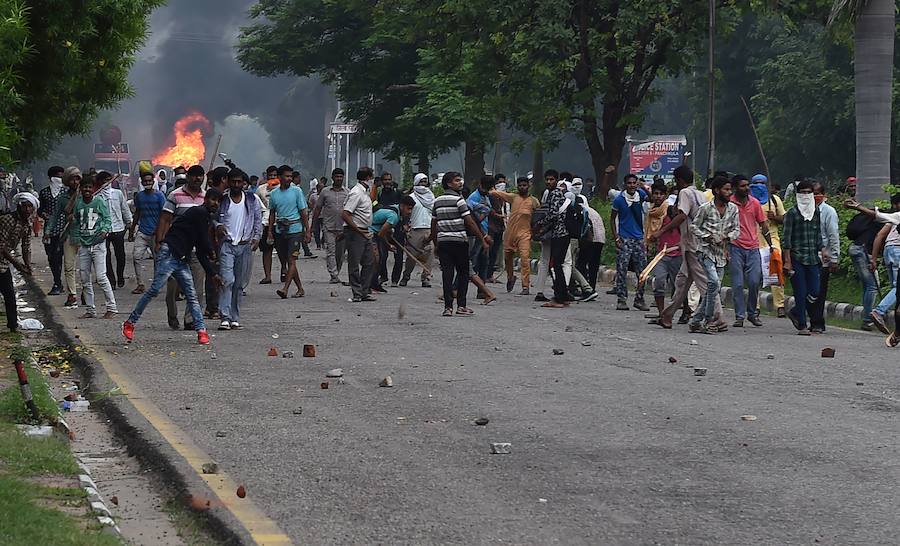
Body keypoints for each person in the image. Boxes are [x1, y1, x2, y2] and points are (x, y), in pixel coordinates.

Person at [123, 189, 224, 346]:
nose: (215, 203)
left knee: (191, 295)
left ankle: (201, 331)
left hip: (181, 258)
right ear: (205, 200)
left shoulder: (205, 219)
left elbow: (200, 249)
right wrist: (211, 250)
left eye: (218, 201)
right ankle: (130, 323)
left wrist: (212, 273)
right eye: (213, 199)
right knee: (154, 290)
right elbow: (204, 242)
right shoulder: (199, 212)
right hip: (169, 253)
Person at [431, 171, 490, 316]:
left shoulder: (437, 201)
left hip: (444, 242)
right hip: (459, 241)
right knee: (463, 273)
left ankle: (448, 307)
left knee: (447, 274)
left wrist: (436, 243)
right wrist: (482, 239)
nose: (460, 183)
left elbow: (434, 224)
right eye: (457, 180)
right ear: (449, 183)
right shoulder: (459, 201)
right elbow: (470, 222)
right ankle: (461, 306)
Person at [157, 164, 206, 330]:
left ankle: (190, 319)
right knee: (173, 286)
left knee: (197, 287)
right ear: (188, 177)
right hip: (176, 248)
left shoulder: (205, 197)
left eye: (200, 176)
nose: (197, 178)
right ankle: (172, 315)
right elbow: (165, 219)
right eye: (194, 175)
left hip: (196, 250)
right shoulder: (175, 195)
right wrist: (160, 242)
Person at [689, 176, 739, 334]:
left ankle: (695, 321)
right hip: (706, 251)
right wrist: (707, 237)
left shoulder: (733, 209)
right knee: (713, 282)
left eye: (730, 189)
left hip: (721, 254)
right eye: (726, 189)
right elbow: (694, 227)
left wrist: (727, 237)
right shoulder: (706, 208)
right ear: (717, 191)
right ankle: (709, 320)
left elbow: (737, 230)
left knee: (714, 288)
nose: (729, 192)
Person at [215, 168, 262, 330]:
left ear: (243, 183)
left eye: (239, 182)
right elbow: (213, 217)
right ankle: (225, 317)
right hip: (227, 245)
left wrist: (257, 238)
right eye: (233, 182)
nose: (236, 185)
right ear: (228, 182)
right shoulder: (222, 199)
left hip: (245, 245)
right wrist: (218, 225)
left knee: (239, 284)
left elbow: (258, 220)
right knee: (227, 280)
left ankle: (234, 317)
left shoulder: (252, 199)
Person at [845, 196, 896, 332]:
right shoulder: (890, 217)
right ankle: (869, 319)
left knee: (869, 285)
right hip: (863, 251)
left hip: (857, 248)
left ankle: (868, 318)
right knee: (873, 286)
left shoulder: (884, 216)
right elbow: (879, 235)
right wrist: (873, 259)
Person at [729, 174, 773, 327]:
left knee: (754, 282)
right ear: (735, 188)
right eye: (742, 186)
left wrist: (771, 245)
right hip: (735, 247)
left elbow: (763, 224)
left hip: (753, 247)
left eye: (747, 185)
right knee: (738, 284)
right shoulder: (729, 203)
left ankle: (752, 313)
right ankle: (739, 316)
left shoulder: (754, 203)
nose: (746, 188)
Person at [73, 176, 117, 319]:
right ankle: (90, 309)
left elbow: (107, 219)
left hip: (98, 244)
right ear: (81, 189)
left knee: (101, 277)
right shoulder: (78, 203)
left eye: (89, 187)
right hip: (84, 245)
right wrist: (76, 238)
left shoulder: (99, 202)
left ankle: (112, 308)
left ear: (93, 189)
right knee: (84, 279)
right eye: (84, 187)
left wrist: (104, 231)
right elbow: (75, 221)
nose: (87, 189)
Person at [782, 180, 823, 335]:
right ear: (798, 194)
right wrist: (787, 261)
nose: (806, 195)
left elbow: (818, 234)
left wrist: (823, 250)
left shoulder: (816, 212)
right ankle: (802, 325)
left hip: (812, 257)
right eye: (803, 192)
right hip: (796, 257)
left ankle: (795, 311)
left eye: (808, 192)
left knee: (815, 291)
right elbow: (786, 238)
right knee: (800, 291)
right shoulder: (792, 213)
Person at [267, 164, 311, 299]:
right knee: (288, 261)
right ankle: (300, 288)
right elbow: (272, 213)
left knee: (292, 259)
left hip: (295, 230)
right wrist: (270, 231)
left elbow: (303, 212)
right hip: (280, 230)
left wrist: (307, 230)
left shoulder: (297, 191)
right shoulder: (274, 194)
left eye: (291, 176)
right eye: (286, 176)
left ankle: (285, 289)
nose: (289, 179)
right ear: (280, 177)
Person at [490, 176, 539, 295]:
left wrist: (536, 232)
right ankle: (510, 277)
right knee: (508, 258)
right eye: (520, 185)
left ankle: (525, 286)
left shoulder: (534, 201)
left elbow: (538, 217)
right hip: (510, 233)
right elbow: (497, 193)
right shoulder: (513, 197)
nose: (522, 187)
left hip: (525, 233)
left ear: (528, 186)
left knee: (525, 259)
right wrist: (490, 188)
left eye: (524, 185)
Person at [610, 173, 649, 311]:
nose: (632, 185)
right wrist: (616, 237)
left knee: (642, 271)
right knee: (622, 269)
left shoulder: (641, 195)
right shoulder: (619, 200)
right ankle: (621, 299)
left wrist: (644, 187)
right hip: (625, 238)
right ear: (625, 184)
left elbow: (651, 199)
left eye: (634, 183)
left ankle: (639, 299)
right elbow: (612, 219)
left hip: (639, 238)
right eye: (629, 183)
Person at [645, 182, 683, 323]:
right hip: (660, 254)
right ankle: (662, 314)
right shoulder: (652, 212)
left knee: (679, 286)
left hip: (676, 252)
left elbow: (681, 226)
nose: (658, 196)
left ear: (665, 195)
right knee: (659, 282)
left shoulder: (670, 211)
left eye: (661, 194)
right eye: (655, 193)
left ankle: (686, 311)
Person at [750, 175, 787, 317]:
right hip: (754, 240)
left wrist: (774, 217)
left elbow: (784, 218)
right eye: (757, 183)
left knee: (776, 270)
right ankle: (755, 306)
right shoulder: (749, 201)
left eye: (762, 183)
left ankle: (780, 305)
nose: (759, 186)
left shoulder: (774, 200)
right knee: (755, 274)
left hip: (772, 240)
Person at [805, 182, 840, 333]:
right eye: (811, 193)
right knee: (808, 289)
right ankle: (811, 318)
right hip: (806, 256)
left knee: (819, 291)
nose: (814, 197)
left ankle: (817, 322)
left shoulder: (829, 212)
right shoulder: (804, 211)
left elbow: (833, 234)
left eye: (817, 193)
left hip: (822, 257)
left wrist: (834, 258)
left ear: (823, 195)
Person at [0, 193, 36, 331]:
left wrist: (28, 265)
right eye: (24, 206)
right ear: (19, 206)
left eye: (30, 207)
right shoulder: (7, 220)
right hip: (3, 259)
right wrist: (17, 264)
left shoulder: (27, 224)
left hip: (3, 262)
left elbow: (26, 246)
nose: (27, 210)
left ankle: (13, 325)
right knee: (8, 293)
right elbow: (2, 246)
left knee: (9, 295)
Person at [342, 167, 377, 302]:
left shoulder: (365, 193)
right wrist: (357, 229)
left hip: (365, 230)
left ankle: (364, 290)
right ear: (367, 178)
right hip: (356, 232)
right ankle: (357, 292)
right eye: (371, 178)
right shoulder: (356, 193)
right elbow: (346, 214)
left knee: (369, 262)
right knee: (354, 263)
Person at [129, 170, 166, 294]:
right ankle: (140, 284)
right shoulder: (139, 196)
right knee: (136, 257)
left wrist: (161, 232)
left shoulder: (160, 196)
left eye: (149, 181)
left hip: (156, 233)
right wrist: (132, 229)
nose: (147, 183)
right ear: (142, 182)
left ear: (153, 181)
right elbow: (137, 213)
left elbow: (164, 215)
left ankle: (156, 286)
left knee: (157, 260)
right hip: (142, 232)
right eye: (145, 181)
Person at [369, 197, 415, 292]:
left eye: (411, 209)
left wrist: (388, 243)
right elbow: (381, 233)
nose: (410, 212)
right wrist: (388, 244)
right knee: (377, 259)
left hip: (375, 233)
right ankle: (370, 285)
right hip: (371, 233)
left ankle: (374, 284)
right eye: (408, 208)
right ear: (402, 206)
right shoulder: (393, 216)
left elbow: (384, 231)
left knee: (380, 258)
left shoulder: (395, 210)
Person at [96, 171, 132, 290]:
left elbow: (124, 208)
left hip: (118, 229)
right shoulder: (97, 196)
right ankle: (111, 280)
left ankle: (120, 276)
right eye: (104, 181)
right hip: (103, 230)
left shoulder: (118, 193)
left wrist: (129, 222)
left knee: (120, 255)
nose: (106, 183)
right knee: (106, 256)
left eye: (108, 180)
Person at [313, 168, 349, 284]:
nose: (339, 179)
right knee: (331, 252)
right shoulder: (325, 192)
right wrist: (313, 225)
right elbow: (318, 208)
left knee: (340, 254)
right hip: (329, 227)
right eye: (337, 176)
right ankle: (333, 275)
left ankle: (336, 271)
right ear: (332, 178)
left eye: (341, 176)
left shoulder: (347, 192)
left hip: (343, 228)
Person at [400, 173, 434, 288]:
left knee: (429, 255)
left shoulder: (431, 197)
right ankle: (406, 276)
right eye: (421, 181)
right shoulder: (412, 197)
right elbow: (406, 213)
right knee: (412, 256)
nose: (423, 184)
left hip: (429, 228)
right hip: (415, 229)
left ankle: (426, 278)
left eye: (425, 181)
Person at [37, 166, 65, 295]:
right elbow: (40, 209)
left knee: (58, 256)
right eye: (58, 177)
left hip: (64, 230)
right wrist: (44, 215)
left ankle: (57, 283)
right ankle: (57, 281)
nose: (60, 179)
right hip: (49, 230)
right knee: (51, 257)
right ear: (51, 178)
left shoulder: (66, 192)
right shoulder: (44, 193)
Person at [466, 176, 494, 296]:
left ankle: (481, 290)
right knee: (472, 262)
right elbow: (474, 220)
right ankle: (456, 287)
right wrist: (484, 235)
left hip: (484, 230)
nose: (487, 190)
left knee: (484, 262)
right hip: (477, 233)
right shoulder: (474, 198)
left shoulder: (486, 197)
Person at [255, 165, 279, 284]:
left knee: (282, 250)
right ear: (267, 176)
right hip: (265, 223)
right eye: (270, 175)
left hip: (280, 222)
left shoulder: (283, 189)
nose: (272, 177)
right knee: (266, 250)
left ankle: (284, 270)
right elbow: (256, 205)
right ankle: (267, 276)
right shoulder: (261, 189)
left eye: (275, 175)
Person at [487, 173, 508, 283]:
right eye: (499, 182)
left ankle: (489, 274)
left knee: (495, 251)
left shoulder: (505, 196)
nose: (502, 184)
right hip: (491, 226)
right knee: (488, 250)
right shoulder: (491, 195)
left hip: (500, 227)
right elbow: (488, 209)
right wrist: (497, 215)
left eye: (503, 182)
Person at [309, 179, 325, 250]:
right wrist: (313, 209)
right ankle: (318, 245)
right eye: (321, 188)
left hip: (324, 215)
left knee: (325, 230)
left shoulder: (325, 195)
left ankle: (323, 241)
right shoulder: (313, 196)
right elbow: (310, 203)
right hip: (316, 215)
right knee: (316, 230)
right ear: (317, 188)